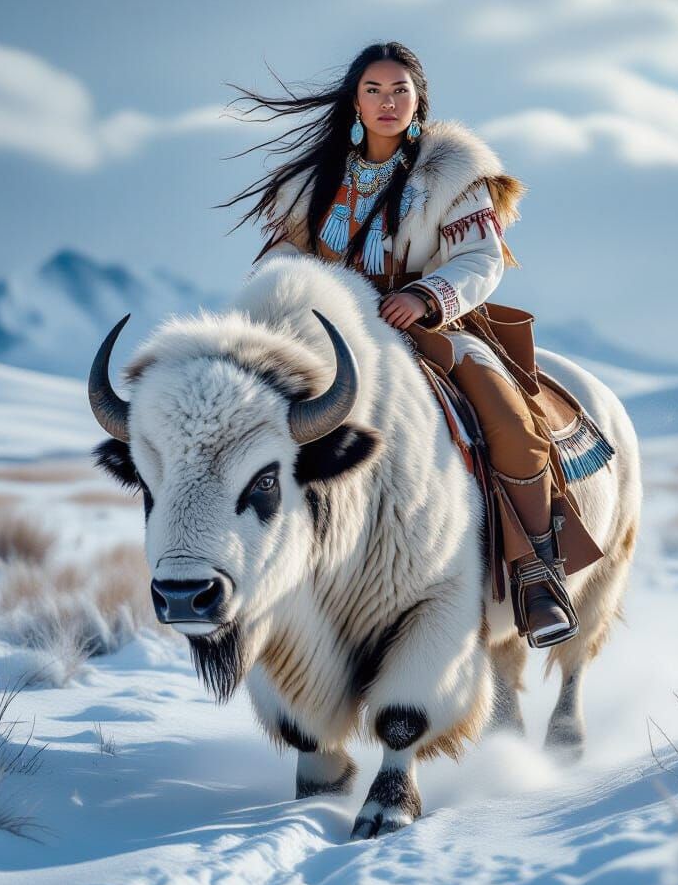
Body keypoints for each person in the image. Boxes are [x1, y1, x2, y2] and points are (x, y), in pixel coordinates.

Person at [222, 41, 578, 648]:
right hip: (332, 332)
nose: (388, 103)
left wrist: (425, 297)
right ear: (354, 103)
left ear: (419, 102)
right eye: (374, 91)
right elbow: (284, 256)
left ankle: (535, 572)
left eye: (400, 92)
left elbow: (481, 259)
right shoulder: (311, 183)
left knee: (511, 423)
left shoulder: (456, 173)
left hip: (430, 326)